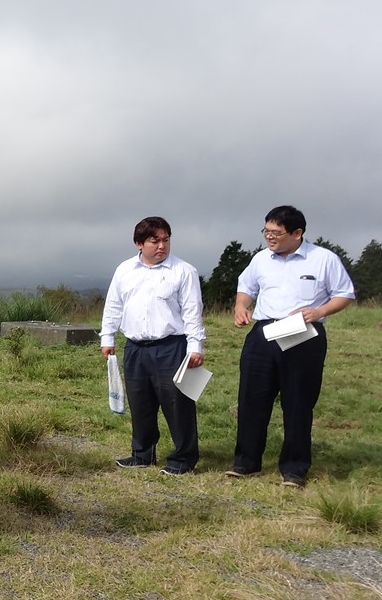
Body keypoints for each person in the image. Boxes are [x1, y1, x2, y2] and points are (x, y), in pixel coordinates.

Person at [228, 205, 355, 488]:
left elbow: (344, 294)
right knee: (251, 399)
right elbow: (246, 287)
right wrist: (241, 306)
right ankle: (246, 462)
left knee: (298, 402)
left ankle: (294, 468)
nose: (269, 237)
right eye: (266, 231)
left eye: (276, 233)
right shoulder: (261, 259)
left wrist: (319, 311)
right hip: (263, 332)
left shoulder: (323, 259)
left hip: (303, 334)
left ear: (297, 233)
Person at [99, 217, 205, 476]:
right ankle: (142, 453)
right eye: (154, 241)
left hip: (171, 346)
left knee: (177, 403)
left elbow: (192, 311)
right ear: (139, 243)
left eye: (166, 240)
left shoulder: (183, 271)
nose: (161, 246)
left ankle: (183, 459)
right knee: (140, 402)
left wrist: (196, 346)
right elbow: (114, 305)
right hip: (135, 347)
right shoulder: (125, 270)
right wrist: (107, 338)